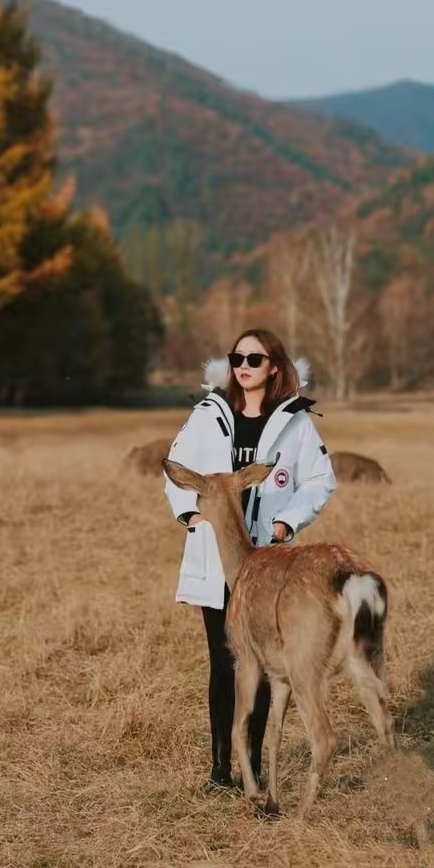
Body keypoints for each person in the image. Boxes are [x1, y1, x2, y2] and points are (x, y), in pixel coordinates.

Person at [164, 328, 336, 793]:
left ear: (274, 366)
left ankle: (253, 771)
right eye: (237, 358)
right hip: (215, 560)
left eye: (254, 359)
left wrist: (287, 522)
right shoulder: (207, 414)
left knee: (259, 666)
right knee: (224, 665)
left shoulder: (295, 421)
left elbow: (320, 479)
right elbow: (176, 469)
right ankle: (221, 772)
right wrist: (191, 516)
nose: (243, 366)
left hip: (266, 567)